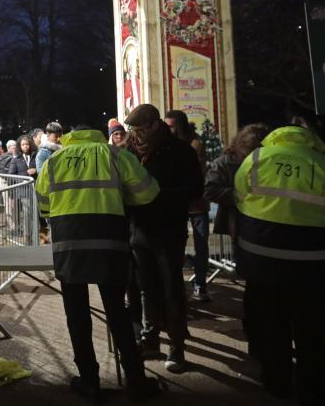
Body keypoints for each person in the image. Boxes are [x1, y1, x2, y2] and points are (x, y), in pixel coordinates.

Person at [36, 125, 162, 403]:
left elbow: (44, 204)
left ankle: (90, 381)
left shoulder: (54, 161)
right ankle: (135, 379)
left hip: (69, 243)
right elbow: (148, 192)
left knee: (77, 315)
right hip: (109, 239)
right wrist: (121, 198)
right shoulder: (115, 155)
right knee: (117, 310)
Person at [234, 125, 325, 404]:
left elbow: (240, 198)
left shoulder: (257, 159)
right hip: (315, 264)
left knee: (274, 327)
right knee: (311, 330)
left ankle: (277, 385)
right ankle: (314, 390)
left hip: (264, 261)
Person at [125, 104, 203, 372]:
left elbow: (195, 188)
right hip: (139, 229)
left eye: (141, 130)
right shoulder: (129, 150)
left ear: (155, 126)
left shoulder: (180, 151)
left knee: (172, 288)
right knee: (145, 287)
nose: (136, 135)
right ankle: (150, 338)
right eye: (132, 130)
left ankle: (176, 345)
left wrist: (159, 195)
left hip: (169, 229)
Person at [165, 110, 211, 301]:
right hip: (178, 201)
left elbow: (194, 171)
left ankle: (200, 284)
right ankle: (178, 284)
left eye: (171, 126)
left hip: (196, 201)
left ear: (180, 126)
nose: (168, 130)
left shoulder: (195, 144)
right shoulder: (167, 144)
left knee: (201, 244)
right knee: (175, 243)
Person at [204, 124, 270, 238]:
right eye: (249, 155)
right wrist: (239, 195)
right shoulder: (224, 163)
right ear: (241, 149)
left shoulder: (269, 161)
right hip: (237, 222)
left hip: (265, 221)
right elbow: (209, 190)